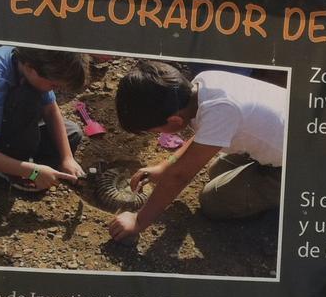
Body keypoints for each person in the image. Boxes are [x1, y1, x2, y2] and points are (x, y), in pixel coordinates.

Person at [107, 60, 286, 241]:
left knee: (213, 201)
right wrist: (164, 167)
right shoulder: (203, 83)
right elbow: (205, 135)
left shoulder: (222, 110)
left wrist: (138, 221)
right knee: (217, 170)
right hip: (288, 139)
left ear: (175, 121)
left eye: (156, 131)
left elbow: (179, 177)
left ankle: (286, 203)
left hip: (299, 167)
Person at [0, 45, 88, 192]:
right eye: (54, 85)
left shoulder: (34, 63)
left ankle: (29, 163)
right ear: (30, 68)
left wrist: (67, 158)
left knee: (73, 133)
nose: (55, 90)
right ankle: (10, 169)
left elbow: (51, 110)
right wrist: (33, 172)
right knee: (27, 99)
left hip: (17, 122)